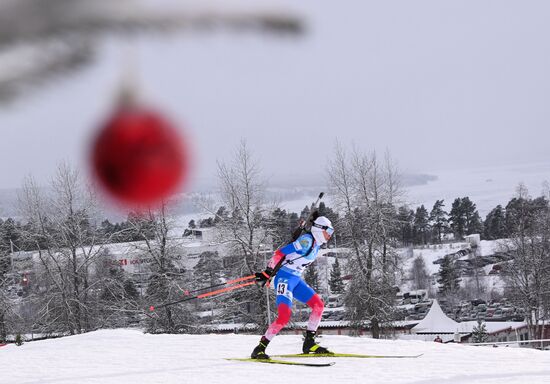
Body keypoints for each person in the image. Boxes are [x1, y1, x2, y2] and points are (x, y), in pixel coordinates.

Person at [251, 216, 334, 359]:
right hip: (284, 279)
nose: (330, 235)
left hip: (296, 279)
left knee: (318, 306)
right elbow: (279, 253)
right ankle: (259, 349)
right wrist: (268, 272)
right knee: (284, 316)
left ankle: (309, 343)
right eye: (329, 231)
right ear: (320, 230)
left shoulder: (316, 243)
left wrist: (315, 218)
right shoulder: (306, 242)